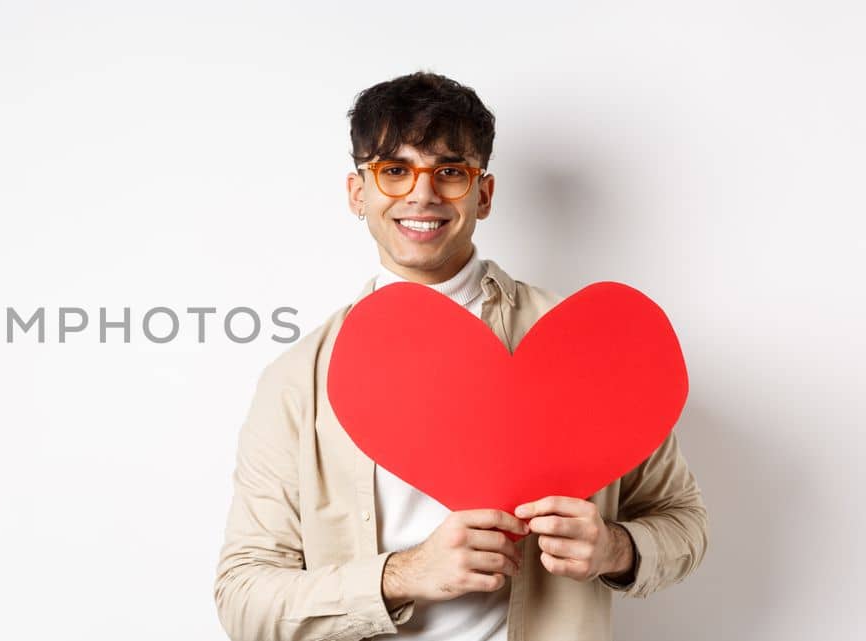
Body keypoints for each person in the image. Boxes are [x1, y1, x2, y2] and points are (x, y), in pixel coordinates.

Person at [212, 71, 709, 641]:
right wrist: (402, 576)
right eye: (393, 171)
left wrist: (614, 549)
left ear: (484, 193)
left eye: (449, 171)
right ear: (358, 193)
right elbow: (243, 597)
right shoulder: (300, 379)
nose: (421, 194)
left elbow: (684, 522)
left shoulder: (589, 347)